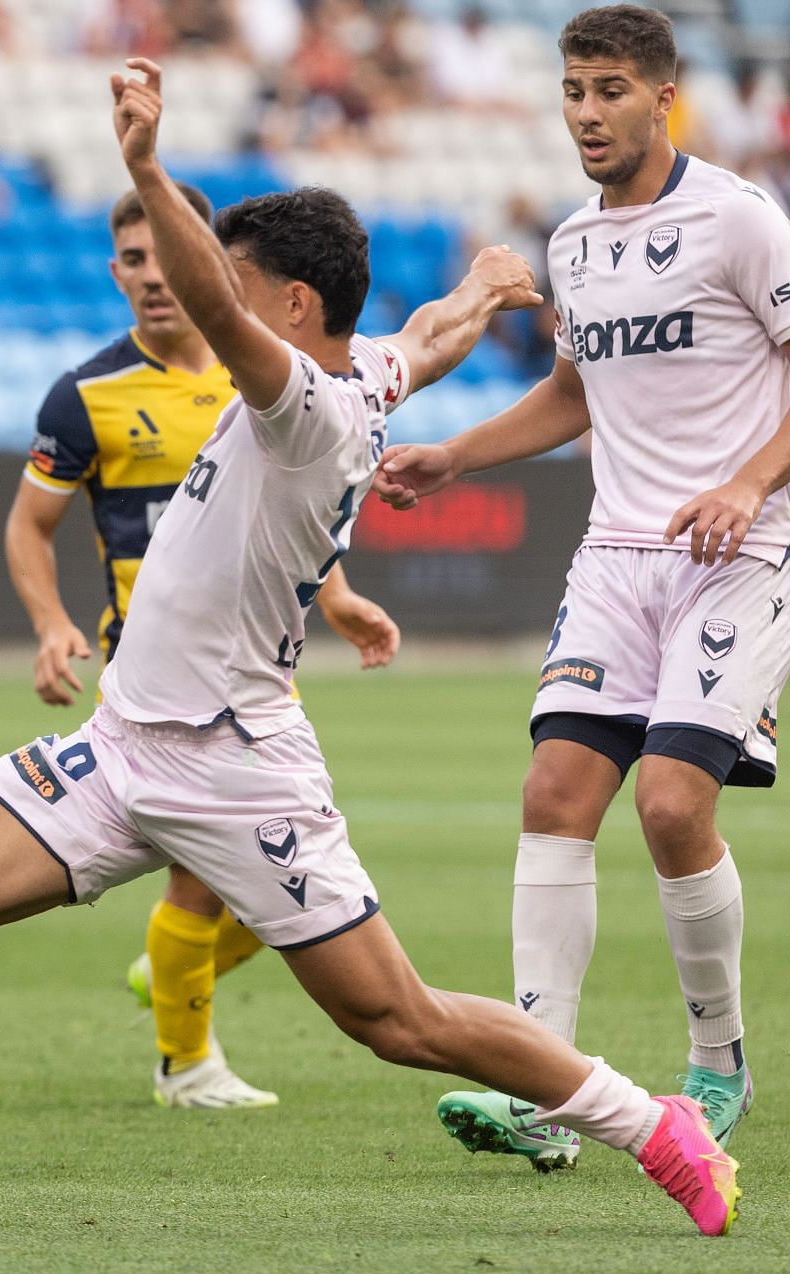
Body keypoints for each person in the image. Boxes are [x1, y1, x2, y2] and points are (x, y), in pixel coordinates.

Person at [0, 58, 743, 1239]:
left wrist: (150, 165)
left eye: (231, 281)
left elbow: (226, 307)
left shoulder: (304, 405)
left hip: (236, 765)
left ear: (289, 310)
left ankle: (657, 1125)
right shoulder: (361, 372)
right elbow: (424, 337)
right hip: (120, 748)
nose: (202, 293)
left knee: (399, 1015)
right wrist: (482, 286)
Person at [375, 4, 790, 1168]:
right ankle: (544, 1090)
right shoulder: (572, 244)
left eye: (609, 90)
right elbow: (576, 394)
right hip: (616, 554)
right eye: (572, 89)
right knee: (555, 791)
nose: (587, 113)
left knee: (669, 804)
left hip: (740, 554)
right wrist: (456, 452)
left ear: (664, 96)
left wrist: (750, 485)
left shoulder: (743, 221)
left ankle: (716, 1061)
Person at [6, 182, 400, 1109]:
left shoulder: (261, 373)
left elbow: (287, 525)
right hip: (157, 677)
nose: (152, 278)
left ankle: (174, 983)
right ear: (116, 272)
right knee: (215, 875)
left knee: (277, 881)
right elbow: (28, 526)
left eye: (164, 257)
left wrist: (336, 600)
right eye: (133, 262)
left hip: (256, 661)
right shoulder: (86, 395)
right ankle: (186, 1063)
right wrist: (51, 622)